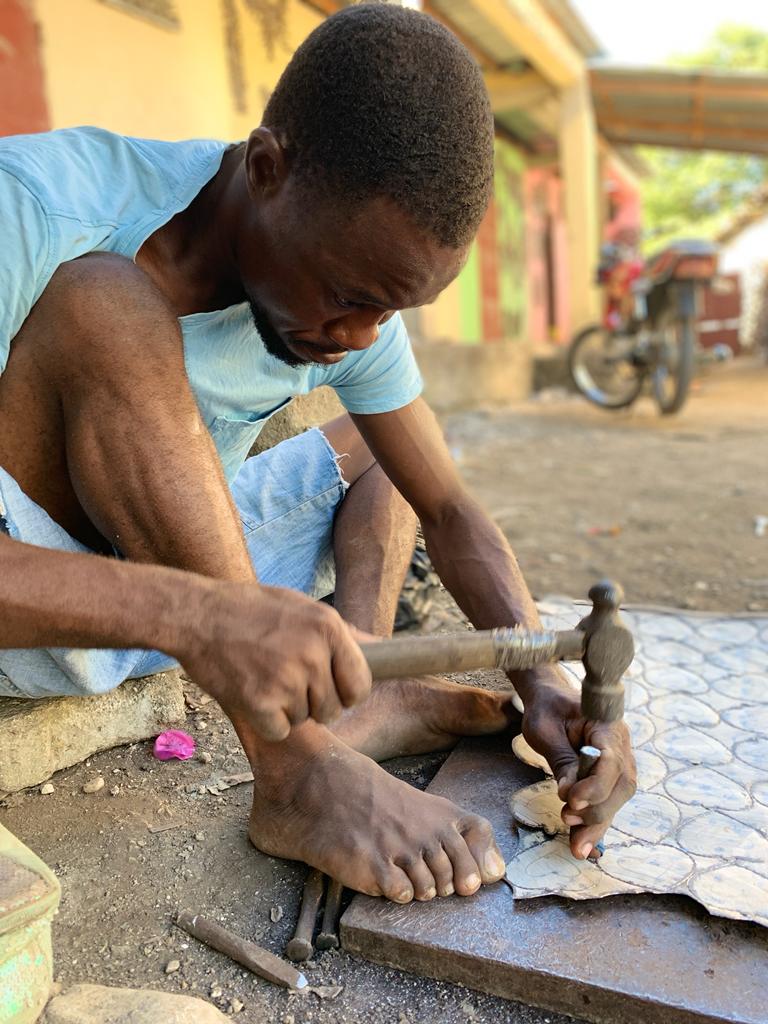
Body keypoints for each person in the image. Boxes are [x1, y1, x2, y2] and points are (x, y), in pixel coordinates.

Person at [0, 3, 635, 904]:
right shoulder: (33, 207)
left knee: (376, 452)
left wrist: (544, 674)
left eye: (389, 311)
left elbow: (449, 510)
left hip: (174, 615)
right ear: (267, 169)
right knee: (106, 304)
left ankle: (353, 685)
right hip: (35, 616)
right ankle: (294, 767)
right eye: (348, 296)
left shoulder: (345, 299)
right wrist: (203, 617)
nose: (358, 336)